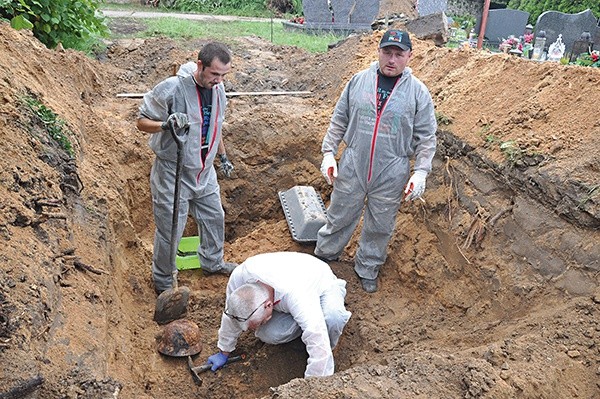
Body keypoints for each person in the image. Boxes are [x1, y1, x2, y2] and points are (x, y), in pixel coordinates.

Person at [314, 29, 437, 293]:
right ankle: (324, 256)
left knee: (380, 225)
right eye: (387, 52)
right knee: (339, 215)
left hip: (392, 170)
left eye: (399, 54)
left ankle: (367, 267)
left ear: (409, 57)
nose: (392, 59)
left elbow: (427, 136)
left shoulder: (418, 93)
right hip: (353, 163)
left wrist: (421, 172)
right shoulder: (358, 81)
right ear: (378, 52)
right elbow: (339, 119)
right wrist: (328, 152)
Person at [137, 42, 237, 295]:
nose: (218, 80)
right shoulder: (172, 89)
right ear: (200, 65)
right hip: (174, 171)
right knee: (171, 228)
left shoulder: (218, 90)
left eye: (223, 75)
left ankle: (213, 262)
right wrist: (165, 125)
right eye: (215, 74)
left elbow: (216, 125)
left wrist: (223, 157)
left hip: (204, 171)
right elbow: (141, 121)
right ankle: (163, 281)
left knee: (215, 218)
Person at [206, 252, 352, 377]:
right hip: (292, 300)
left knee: (333, 318)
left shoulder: (298, 295)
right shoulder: (239, 278)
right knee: (269, 334)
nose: (259, 326)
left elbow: (317, 335)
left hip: (320, 282)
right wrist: (224, 351)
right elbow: (232, 315)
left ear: (269, 305)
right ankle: (302, 327)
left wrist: (313, 388)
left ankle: (331, 345)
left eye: (260, 322)